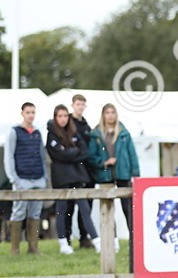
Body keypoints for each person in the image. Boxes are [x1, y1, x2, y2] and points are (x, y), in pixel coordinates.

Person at [88, 103, 139, 264]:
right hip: (105, 176)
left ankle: (134, 240)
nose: (110, 115)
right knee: (108, 210)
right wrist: (104, 162)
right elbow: (91, 156)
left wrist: (135, 175)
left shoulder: (124, 133)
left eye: (112, 112)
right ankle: (113, 240)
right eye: (107, 113)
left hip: (123, 174)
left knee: (128, 209)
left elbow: (132, 155)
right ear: (103, 115)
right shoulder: (96, 134)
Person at [46, 105, 100, 255]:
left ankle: (96, 240)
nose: (63, 119)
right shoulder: (51, 134)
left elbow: (84, 151)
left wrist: (69, 152)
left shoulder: (74, 131)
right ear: (55, 118)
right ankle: (63, 242)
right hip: (61, 178)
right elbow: (58, 155)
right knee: (62, 210)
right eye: (60, 116)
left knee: (85, 209)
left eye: (65, 116)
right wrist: (73, 152)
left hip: (77, 177)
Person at [3, 101, 48, 254]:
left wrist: (44, 177)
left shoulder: (37, 133)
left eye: (33, 112)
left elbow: (43, 157)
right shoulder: (14, 132)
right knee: (18, 212)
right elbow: (8, 156)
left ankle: (33, 247)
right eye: (28, 112)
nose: (31, 115)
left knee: (35, 213)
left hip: (37, 178)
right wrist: (13, 178)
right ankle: (15, 248)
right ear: (22, 113)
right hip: (21, 179)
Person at [67, 94, 96, 249]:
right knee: (69, 206)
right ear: (73, 105)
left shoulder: (86, 126)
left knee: (86, 207)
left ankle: (84, 238)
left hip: (87, 171)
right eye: (78, 104)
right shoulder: (68, 123)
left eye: (82, 104)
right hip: (73, 170)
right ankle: (67, 238)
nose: (80, 107)